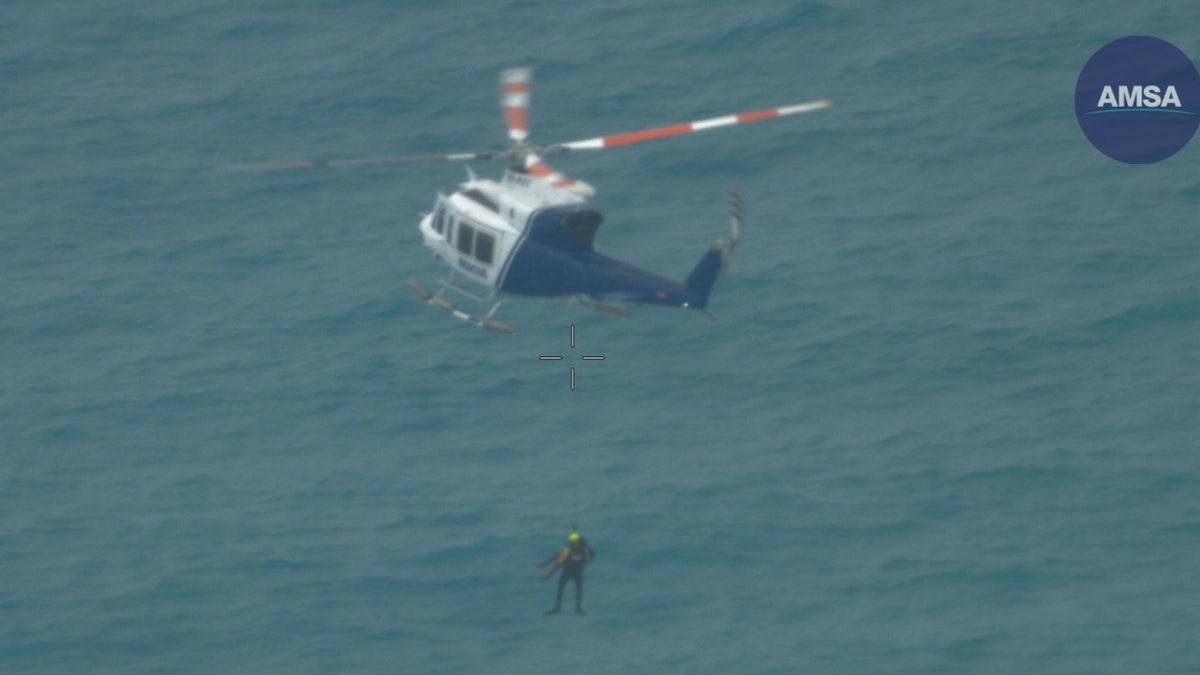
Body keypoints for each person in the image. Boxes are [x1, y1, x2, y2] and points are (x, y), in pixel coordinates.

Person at [536, 529, 594, 615]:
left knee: (560, 587)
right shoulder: (584, 550)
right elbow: (587, 562)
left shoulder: (568, 550)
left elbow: (559, 564)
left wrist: (549, 575)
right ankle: (578, 608)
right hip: (578, 572)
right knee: (578, 589)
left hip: (568, 572)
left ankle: (557, 607)